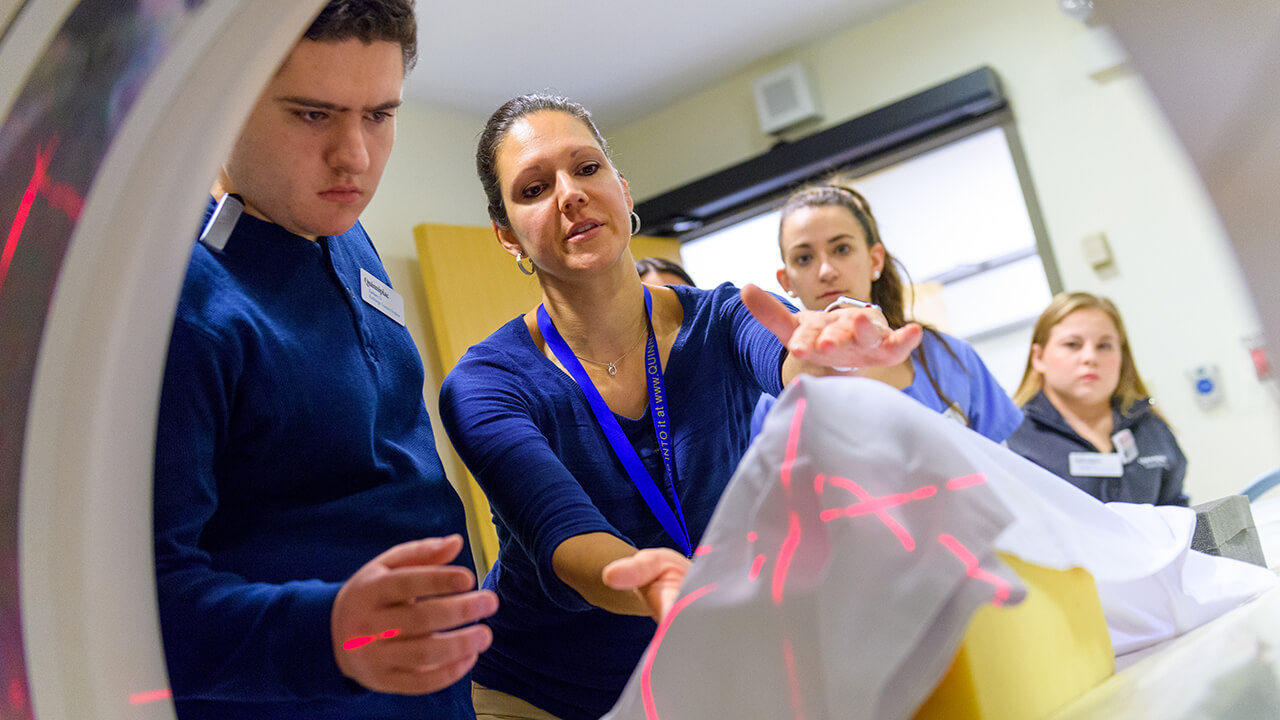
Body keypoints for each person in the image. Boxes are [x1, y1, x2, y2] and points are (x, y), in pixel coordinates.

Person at [438, 93, 921, 720]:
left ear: (623, 189)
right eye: (534, 188)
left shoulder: (720, 318)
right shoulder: (486, 385)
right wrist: (662, 583)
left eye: (587, 169)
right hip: (546, 695)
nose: (570, 194)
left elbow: (789, 359)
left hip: (700, 674)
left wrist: (824, 351)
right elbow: (569, 546)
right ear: (507, 236)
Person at [152, 3, 497, 719]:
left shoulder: (347, 235)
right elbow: (140, 596)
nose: (356, 156)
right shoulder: (169, 299)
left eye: (379, 114)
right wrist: (326, 634)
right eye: (313, 115)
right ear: (222, 104)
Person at [752, 182, 1023, 443]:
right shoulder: (776, 402)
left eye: (841, 249)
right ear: (786, 281)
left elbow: (1010, 473)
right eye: (804, 258)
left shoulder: (949, 359)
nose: (826, 271)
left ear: (875, 260)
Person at [1006, 292, 1189, 505]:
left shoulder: (1151, 427)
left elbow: (1177, 515)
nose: (1090, 358)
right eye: (1072, 344)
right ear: (1038, 357)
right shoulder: (1013, 437)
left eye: (1104, 346)